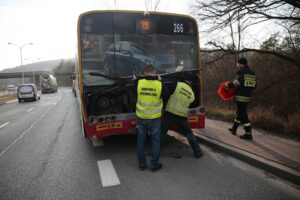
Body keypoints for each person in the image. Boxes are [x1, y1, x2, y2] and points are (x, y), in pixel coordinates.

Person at [134, 64, 166, 172]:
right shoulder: (160, 84)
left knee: (141, 140)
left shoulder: (139, 82)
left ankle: (142, 164)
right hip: (155, 118)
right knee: (156, 140)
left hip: (141, 116)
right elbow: (166, 95)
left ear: (144, 73)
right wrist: (161, 81)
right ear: (155, 73)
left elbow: (135, 93)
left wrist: (135, 80)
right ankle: (154, 165)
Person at [161, 78, 203, 158]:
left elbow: (167, 93)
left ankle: (156, 152)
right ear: (189, 85)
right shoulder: (192, 94)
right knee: (189, 134)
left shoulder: (178, 84)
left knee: (162, 132)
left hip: (170, 114)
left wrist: (162, 81)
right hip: (182, 116)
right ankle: (198, 152)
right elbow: (191, 103)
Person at [225, 57, 256, 140]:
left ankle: (248, 133)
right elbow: (255, 85)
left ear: (241, 64)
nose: (237, 65)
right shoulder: (252, 73)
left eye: (237, 63)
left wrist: (228, 85)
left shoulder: (241, 71)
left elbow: (238, 82)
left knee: (243, 115)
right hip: (247, 96)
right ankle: (234, 129)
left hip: (240, 96)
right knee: (240, 112)